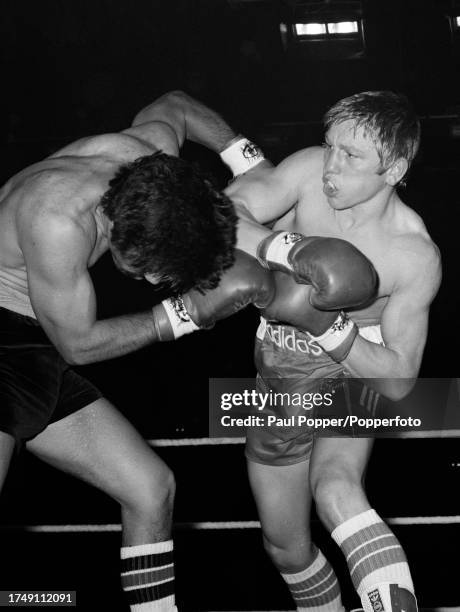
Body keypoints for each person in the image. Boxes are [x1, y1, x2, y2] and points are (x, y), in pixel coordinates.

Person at [0, 90, 278, 611]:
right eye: (153, 271)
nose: (156, 280)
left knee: (151, 490)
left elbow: (176, 104)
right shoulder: (58, 219)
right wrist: (182, 315)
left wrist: (256, 165)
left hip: (36, 343)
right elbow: (78, 345)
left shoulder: (150, 156)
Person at [223, 91, 442, 612]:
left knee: (336, 487)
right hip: (276, 373)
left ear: (393, 170)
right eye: (330, 147)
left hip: (352, 370)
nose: (331, 167)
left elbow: (399, 380)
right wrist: (288, 250)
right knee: (284, 546)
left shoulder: (412, 254)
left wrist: (323, 322)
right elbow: (227, 211)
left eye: (351, 157)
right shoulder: (305, 171)